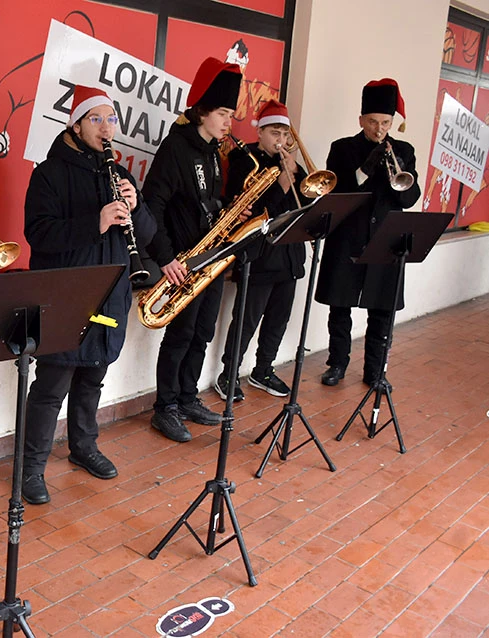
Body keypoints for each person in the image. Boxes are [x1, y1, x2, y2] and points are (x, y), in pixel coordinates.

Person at [20, 85, 157, 504]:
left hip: (110, 293)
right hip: (66, 295)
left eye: (110, 119)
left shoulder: (119, 173)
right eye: (96, 119)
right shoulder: (48, 174)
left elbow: (148, 235)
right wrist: (94, 223)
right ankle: (31, 468)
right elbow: (38, 235)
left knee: (93, 374)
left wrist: (138, 209)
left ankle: (83, 446)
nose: (106, 128)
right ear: (75, 125)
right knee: (52, 383)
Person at [142, 57, 245, 443]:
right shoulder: (175, 149)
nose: (227, 122)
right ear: (202, 110)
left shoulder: (212, 151)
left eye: (231, 114)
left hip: (211, 259)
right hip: (183, 262)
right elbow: (153, 206)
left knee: (202, 332)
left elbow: (202, 201)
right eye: (222, 113)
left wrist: (228, 211)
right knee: (181, 335)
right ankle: (164, 407)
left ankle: (187, 397)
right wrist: (167, 258)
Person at [315, 78, 421, 386]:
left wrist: (395, 170)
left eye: (385, 122)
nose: (379, 129)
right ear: (361, 120)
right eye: (373, 122)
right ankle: (337, 364)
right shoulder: (343, 149)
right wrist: (364, 169)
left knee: (382, 311)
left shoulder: (404, 150)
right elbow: (337, 192)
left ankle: (375, 372)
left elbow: (409, 198)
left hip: (386, 241)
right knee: (340, 307)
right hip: (348, 238)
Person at [213, 99, 307, 402]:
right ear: (261, 133)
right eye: (274, 133)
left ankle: (263, 369)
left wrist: (298, 176)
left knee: (279, 318)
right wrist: (281, 185)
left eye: (284, 134)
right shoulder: (246, 159)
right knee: (246, 319)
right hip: (260, 256)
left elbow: (307, 205)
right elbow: (255, 214)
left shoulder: (291, 165)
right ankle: (229, 373)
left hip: (290, 256)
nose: (280, 141)